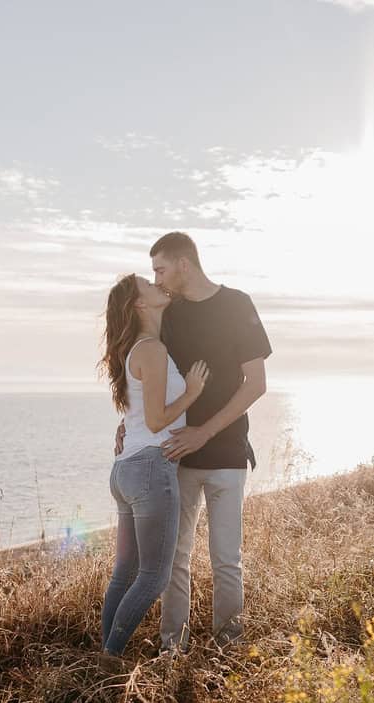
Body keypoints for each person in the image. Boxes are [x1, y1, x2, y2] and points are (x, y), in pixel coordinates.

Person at [118, 232, 272, 652]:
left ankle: (228, 649)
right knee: (175, 561)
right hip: (174, 459)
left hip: (226, 455)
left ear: (183, 264)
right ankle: (173, 650)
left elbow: (255, 384)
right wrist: (128, 425)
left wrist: (205, 431)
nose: (158, 278)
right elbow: (149, 375)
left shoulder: (238, 305)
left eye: (160, 269)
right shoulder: (170, 313)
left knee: (227, 560)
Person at [98, 273, 209, 657]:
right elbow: (159, 420)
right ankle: (109, 659)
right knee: (153, 577)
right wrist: (192, 394)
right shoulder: (152, 350)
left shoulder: (139, 349)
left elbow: (143, 415)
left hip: (126, 469)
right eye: (148, 284)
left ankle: (104, 655)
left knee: (125, 573)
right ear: (140, 304)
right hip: (150, 468)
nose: (157, 285)